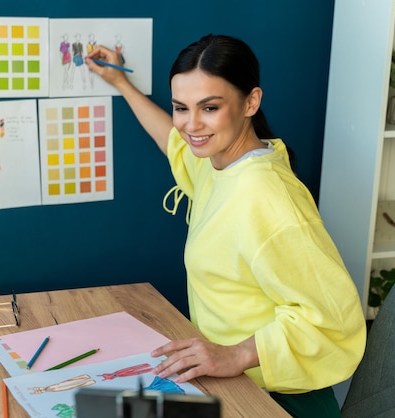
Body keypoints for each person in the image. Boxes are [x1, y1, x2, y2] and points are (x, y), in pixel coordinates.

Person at [85, 34, 366, 417]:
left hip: (278, 399)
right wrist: (120, 83)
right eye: (181, 107)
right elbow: (175, 142)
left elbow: (333, 318)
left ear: (251, 101)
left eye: (210, 107)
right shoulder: (219, 162)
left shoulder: (266, 197)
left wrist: (237, 354)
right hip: (231, 381)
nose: (191, 124)